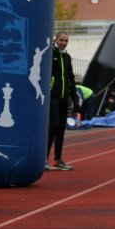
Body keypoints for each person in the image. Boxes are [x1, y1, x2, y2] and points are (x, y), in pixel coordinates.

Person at [46, 32, 80, 171]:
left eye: (66, 40)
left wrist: (75, 98)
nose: (64, 43)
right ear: (56, 39)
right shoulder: (49, 54)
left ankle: (58, 159)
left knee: (60, 129)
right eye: (61, 40)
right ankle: (44, 158)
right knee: (53, 125)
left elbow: (71, 78)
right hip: (52, 96)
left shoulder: (67, 57)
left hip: (64, 97)